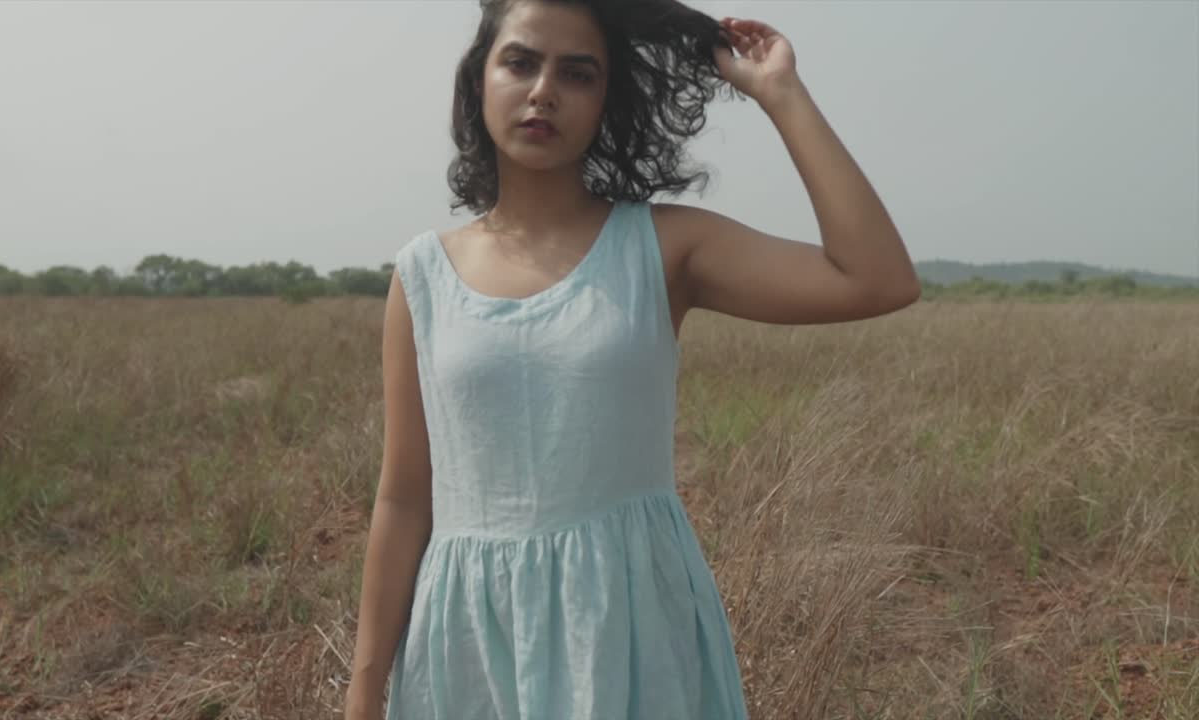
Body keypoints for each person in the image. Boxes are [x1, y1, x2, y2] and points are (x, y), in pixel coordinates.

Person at [343, 1, 919, 718]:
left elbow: (877, 279)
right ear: (477, 83)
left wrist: (781, 95)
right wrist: (365, 688)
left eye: (577, 74)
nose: (543, 90)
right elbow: (404, 498)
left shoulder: (661, 247)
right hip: (469, 637)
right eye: (520, 62)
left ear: (606, 99)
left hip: (629, 628)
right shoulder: (422, 277)